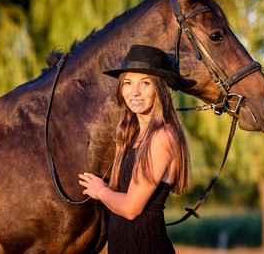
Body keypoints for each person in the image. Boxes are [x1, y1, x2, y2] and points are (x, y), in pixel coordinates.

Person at [78, 44, 192, 254]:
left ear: (159, 89)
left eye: (145, 83)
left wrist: (100, 191)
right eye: (128, 83)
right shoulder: (132, 136)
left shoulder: (162, 137)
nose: (135, 92)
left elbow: (131, 209)